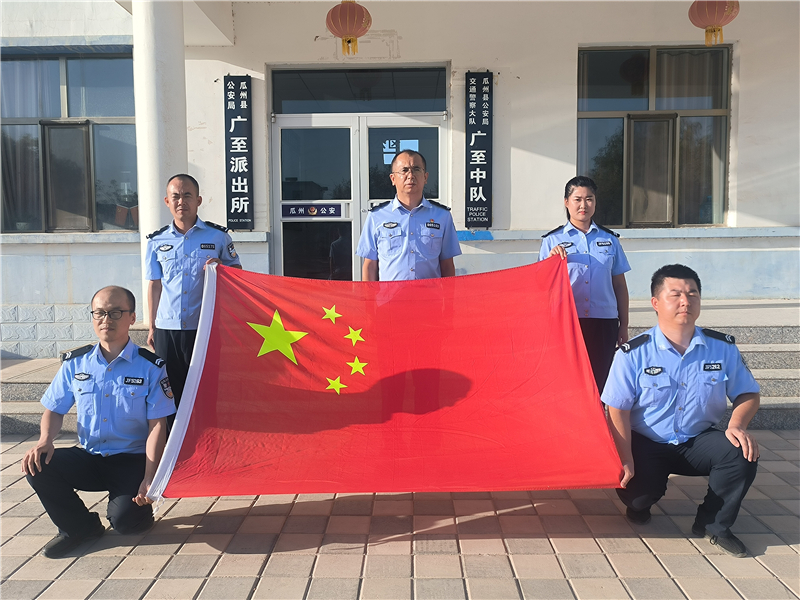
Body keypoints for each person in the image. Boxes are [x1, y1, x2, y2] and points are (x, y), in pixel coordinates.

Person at [602, 264, 760, 558]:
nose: (685, 301)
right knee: (638, 497)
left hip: (697, 439)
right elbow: (617, 409)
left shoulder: (721, 348)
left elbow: (749, 393)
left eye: (692, 294)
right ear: (655, 303)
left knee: (740, 452)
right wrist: (624, 457)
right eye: (675, 295)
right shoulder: (633, 354)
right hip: (646, 441)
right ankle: (640, 506)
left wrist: (737, 425)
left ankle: (714, 525)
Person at [22, 286, 176, 559]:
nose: (107, 320)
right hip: (91, 456)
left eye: (116, 312)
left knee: (126, 524)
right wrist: (45, 440)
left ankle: (139, 513)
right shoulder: (75, 363)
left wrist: (151, 476)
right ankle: (79, 528)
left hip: (131, 460)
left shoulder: (150, 366)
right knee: (38, 465)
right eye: (100, 313)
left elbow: (157, 425)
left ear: (132, 317)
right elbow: (54, 409)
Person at [146, 174, 242, 416]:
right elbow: (155, 285)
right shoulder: (156, 241)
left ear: (198, 200)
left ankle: (204, 436)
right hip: (168, 329)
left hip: (204, 326)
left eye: (187, 195)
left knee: (205, 389)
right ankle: (172, 439)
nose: (181, 201)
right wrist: (152, 326)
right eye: (175, 196)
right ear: (167, 201)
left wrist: (222, 267)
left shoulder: (218, 237)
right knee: (168, 391)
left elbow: (237, 273)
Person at [539, 176, 630, 393]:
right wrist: (551, 262)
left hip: (604, 322)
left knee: (601, 381)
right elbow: (543, 287)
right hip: (568, 322)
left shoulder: (610, 240)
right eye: (577, 199)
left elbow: (619, 285)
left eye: (589, 199)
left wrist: (624, 325)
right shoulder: (551, 241)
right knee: (569, 381)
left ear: (595, 202)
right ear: (566, 202)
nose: (583, 205)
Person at [356, 150, 461, 281]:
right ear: (393, 179)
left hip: (430, 294)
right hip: (390, 294)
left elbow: (447, 265)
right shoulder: (376, 216)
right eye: (404, 170)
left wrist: (449, 295)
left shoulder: (442, 216)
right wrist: (369, 294)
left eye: (416, 169)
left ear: (425, 177)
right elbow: (370, 266)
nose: (410, 176)